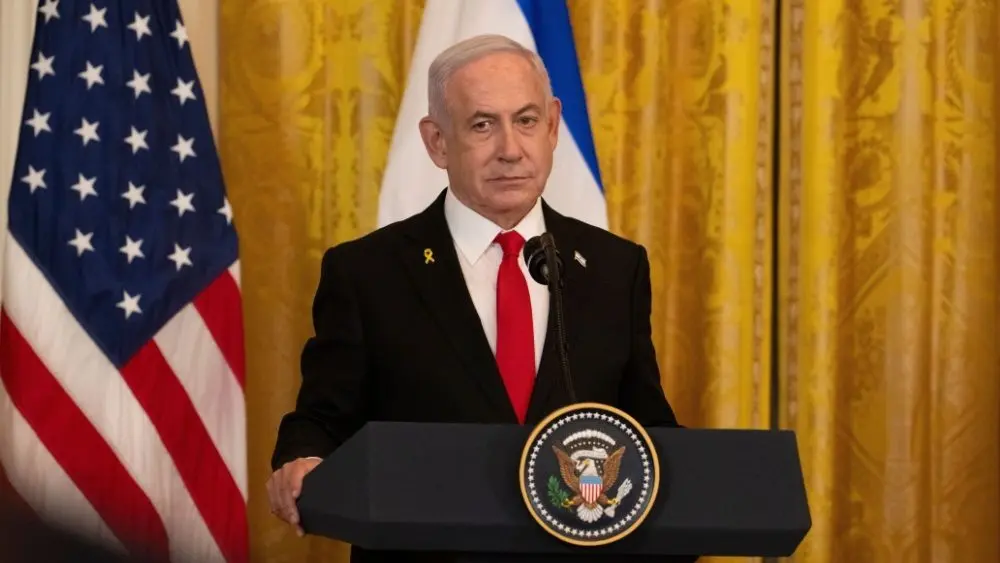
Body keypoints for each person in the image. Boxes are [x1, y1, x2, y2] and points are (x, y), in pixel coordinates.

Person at [267, 33, 681, 561]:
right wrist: (303, 458)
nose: (510, 149)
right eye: (482, 125)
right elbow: (322, 419)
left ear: (553, 125)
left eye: (527, 121)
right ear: (438, 142)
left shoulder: (613, 267)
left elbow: (645, 426)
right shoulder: (367, 272)